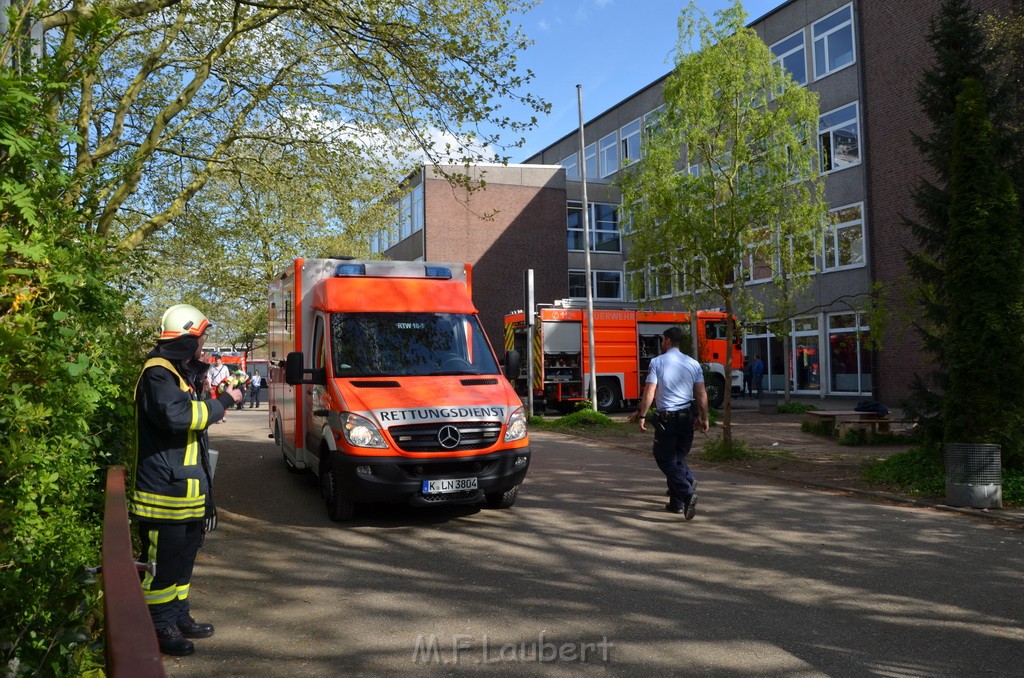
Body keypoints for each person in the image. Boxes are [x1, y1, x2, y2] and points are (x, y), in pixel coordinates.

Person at [131, 304, 243, 656]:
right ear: (187, 337)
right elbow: (176, 415)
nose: (205, 344)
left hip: (186, 491)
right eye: (202, 337)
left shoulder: (178, 371)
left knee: (182, 562)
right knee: (162, 566)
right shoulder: (157, 373)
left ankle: (177, 616)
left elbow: (188, 417)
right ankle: (158, 624)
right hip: (162, 493)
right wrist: (222, 402)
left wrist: (209, 409)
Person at [627, 326, 709, 520]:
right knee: (678, 458)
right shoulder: (693, 364)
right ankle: (676, 504)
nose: (661, 343)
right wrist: (704, 417)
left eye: (663, 340)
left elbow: (650, 391)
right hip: (687, 417)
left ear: (668, 341)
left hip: (668, 419)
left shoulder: (657, 362)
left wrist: (643, 416)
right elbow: (701, 393)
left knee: (664, 458)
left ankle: (687, 490)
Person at [206, 354, 230, 422]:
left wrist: (226, 384)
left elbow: (228, 377)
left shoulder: (225, 368)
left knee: (223, 401)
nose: (218, 362)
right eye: (216, 361)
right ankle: (217, 417)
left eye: (219, 361)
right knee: (215, 402)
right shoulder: (212, 368)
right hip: (214, 387)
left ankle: (223, 415)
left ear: (221, 361)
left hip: (222, 387)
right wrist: (209, 386)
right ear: (215, 361)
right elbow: (209, 377)